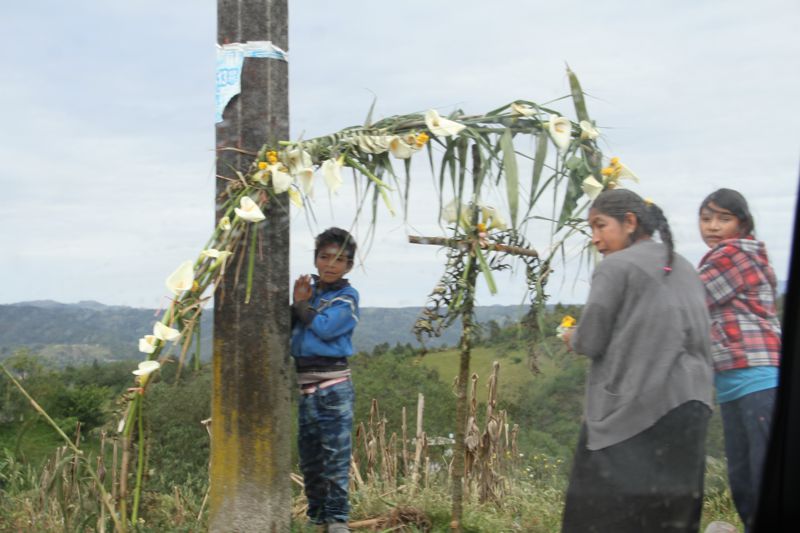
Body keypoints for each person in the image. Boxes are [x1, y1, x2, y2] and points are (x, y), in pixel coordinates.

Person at [561, 189, 713, 533]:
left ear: (630, 222)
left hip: (637, 412)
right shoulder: (683, 265)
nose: (595, 238)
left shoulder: (616, 266)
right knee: (670, 514)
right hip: (693, 406)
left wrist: (573, 337)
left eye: (600, 225)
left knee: (604, 516)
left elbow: (591, 339)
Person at [697, 189, 781, 532]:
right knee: (743, 480)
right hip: (734, 384)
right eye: (706, 219)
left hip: (757, 380)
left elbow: (691, 298)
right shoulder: (724, 255)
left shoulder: (735, 254)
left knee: (758, 479)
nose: (713, 226)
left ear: (742, 224)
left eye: (724, 218)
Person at [291, 227, 360, 533]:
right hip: (306, 390)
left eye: (339, 259)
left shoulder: (347, 297)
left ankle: (337, 520)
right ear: (315, 259)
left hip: (334, 389)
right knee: (310, 461)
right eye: (324, 257)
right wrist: (296, 304)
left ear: (349, 266)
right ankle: (317, 519)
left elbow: (326, 329)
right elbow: (289, 328)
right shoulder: (309, 292)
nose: (331, 264)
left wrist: (301, 305)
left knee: (335, 459)